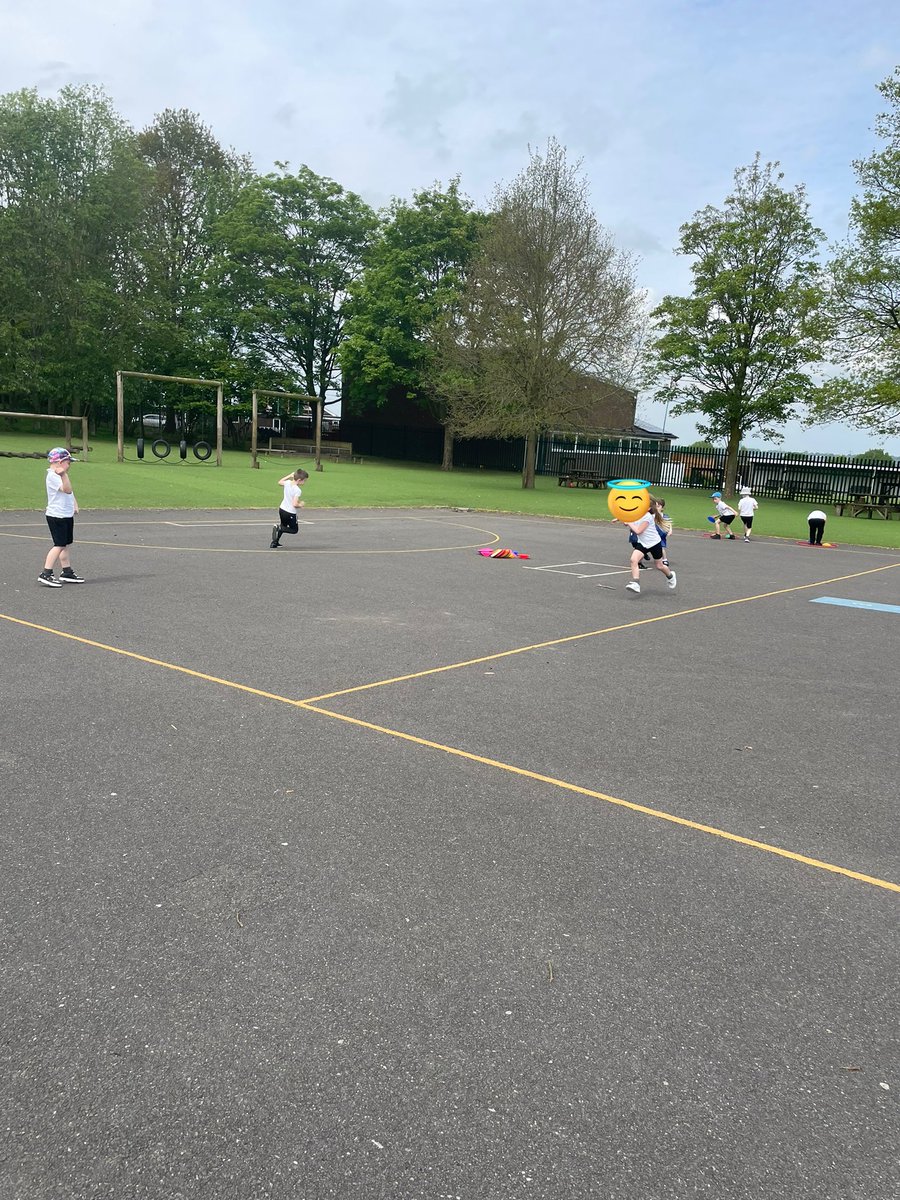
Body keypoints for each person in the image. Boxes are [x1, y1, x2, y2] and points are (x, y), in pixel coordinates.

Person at [38, 448, 84, 587]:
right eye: (68, 462)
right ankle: (46, 573)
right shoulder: (52, 476)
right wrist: (64, 475)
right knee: (59, 545)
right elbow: (67, 489)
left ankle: (67, 571)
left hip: (65, 515)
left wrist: (75, 504)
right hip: (57, 516)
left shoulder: (60, 476)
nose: (69, 466)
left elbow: (70, 492)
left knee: (65, 545)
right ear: (61, 462)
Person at [625, 499, 676, 594]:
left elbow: (638, 531)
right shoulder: (636, 514)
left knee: (659, 566)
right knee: (633, 560)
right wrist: (623, 519)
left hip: (654, 543)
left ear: (648, 508)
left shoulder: (647, 517)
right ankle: (636, 583)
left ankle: (670, 576)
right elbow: (628, 521)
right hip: (643, 543)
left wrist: (629, 522)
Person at [271, 469, 309, 548]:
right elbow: (294, 504)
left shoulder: (288, 483)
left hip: (282, 509)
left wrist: (289, 475)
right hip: (290, 512)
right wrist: (300, 505)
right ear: (299, 480)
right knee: (294, 530)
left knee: (284, 525)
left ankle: (274, 543)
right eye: (304, 481)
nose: (304, 483)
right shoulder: (297, 490)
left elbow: (279, 482)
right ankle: (279, 528)